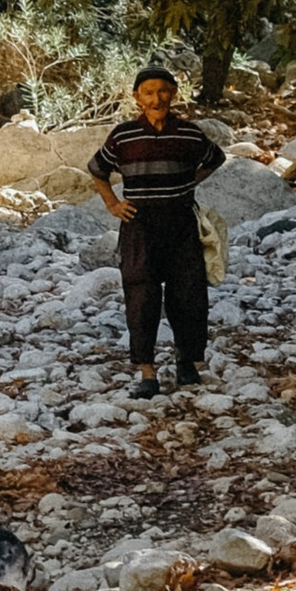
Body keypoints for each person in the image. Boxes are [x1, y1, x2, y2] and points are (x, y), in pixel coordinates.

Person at [87, 66, 226, 393]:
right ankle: (147, 373)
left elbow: (215, 158)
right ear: (137, 97)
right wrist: (113, 205)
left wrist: (187, 182)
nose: (156, 98)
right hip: (139, 225)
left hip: (181, 223)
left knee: (189, 294)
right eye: (148, 92)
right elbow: (97, 170)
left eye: (163, 90)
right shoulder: (123, 136)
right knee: (141, 295)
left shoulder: (190, 134)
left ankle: (187, 363)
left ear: (174, 93)